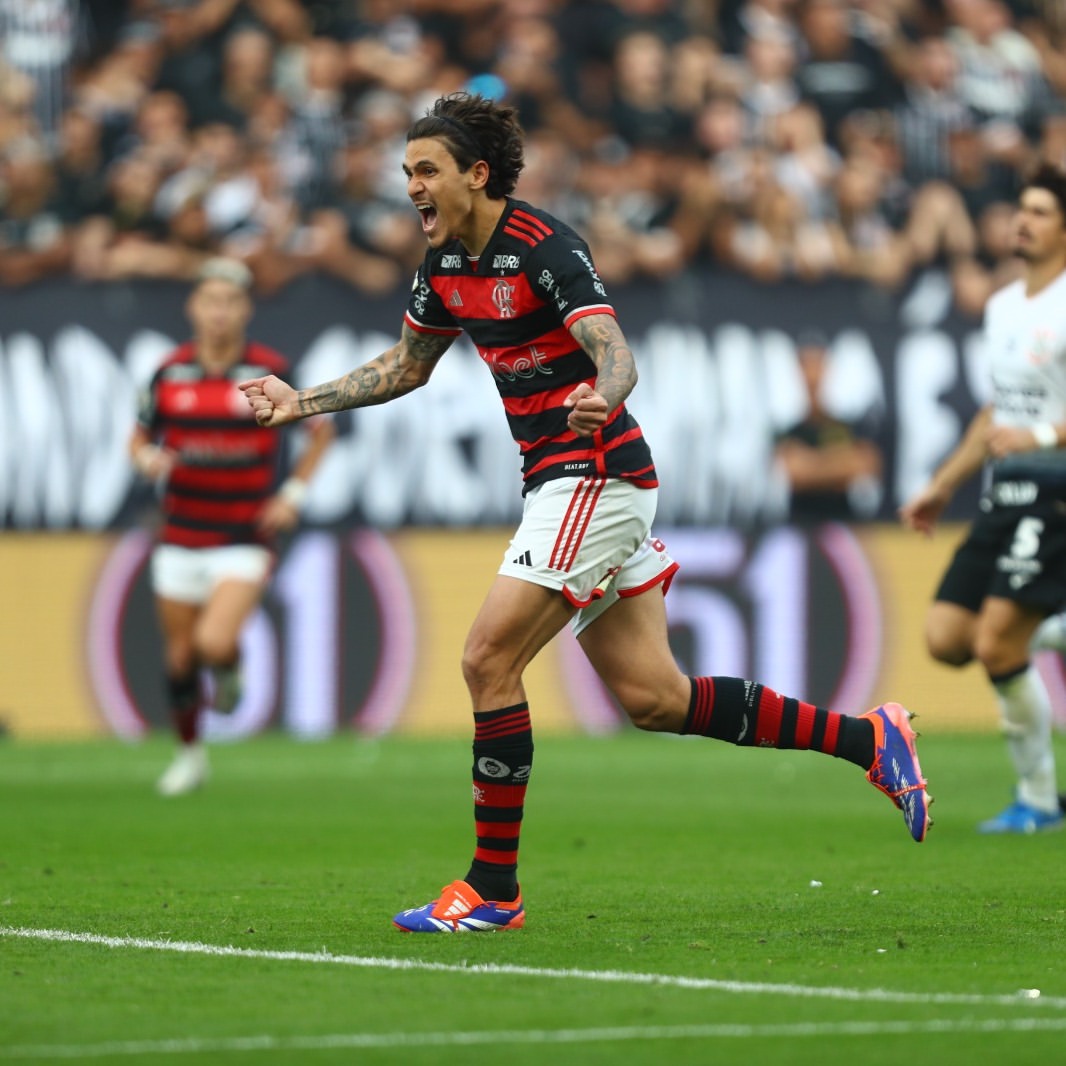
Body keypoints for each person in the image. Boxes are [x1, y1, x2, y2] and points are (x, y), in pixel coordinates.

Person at [240, 92, 931, 934]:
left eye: (426, 170)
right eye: (406, 173)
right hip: (563, 480)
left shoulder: (544, 247)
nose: (412, 186)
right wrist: (299, 402)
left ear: (476, 174)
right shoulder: (442, 268)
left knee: (486, 660)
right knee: (657, 698)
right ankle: (871, 739)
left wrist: (602, 397)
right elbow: (409, 365)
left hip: (593, 471)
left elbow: (614, 350)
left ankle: (493, 890)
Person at [900, 162, 1066, 834]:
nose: (1021, 221)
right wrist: (940, 486)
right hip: (1006, 491)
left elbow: (1026, 421)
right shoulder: (1002, 307)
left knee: (998, 645)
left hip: (1056, 493)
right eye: (1020, 209)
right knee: (947, 639)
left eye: (1039, 211)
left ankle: (1040, 801)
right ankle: (1048, 623)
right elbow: (996, 412)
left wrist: (1041, 432)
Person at [129, 256, 334, 796]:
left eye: (230, 302)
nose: (219, 312)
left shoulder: (267, 369)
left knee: (213, 642)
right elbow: (139, 435)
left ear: (245, 310)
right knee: (178, 656)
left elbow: (320, 433)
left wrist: (292, 494)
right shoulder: (168, 373)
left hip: (244, 533)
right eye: (210, 301)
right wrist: (146, 458)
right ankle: (190, 755)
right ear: (193, 307)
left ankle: (228, 669)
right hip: (180, 531)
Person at [774, 331, 884, 523]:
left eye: (818, 364)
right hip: (799, 529)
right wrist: (838, 462)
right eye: (806, 365)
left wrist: (812, 463)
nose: (812, 375)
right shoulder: (787, 427)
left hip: (843, 528)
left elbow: (866, 464)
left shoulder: (847, 425)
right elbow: (792, 473)